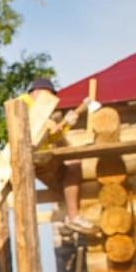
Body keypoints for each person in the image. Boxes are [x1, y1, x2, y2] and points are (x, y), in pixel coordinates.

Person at [22, 78, 101, 237]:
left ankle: (67, 219)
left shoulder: (38, 109)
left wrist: (66, 124)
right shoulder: (23, 103)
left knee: (68, 175)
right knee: (73, 163)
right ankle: (72, 217)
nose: (52, 100)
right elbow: (39, 133)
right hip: (30, 156)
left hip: (37, 156)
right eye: (49, 94)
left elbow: (48, 137)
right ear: (37, 92)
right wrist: (63, 123)